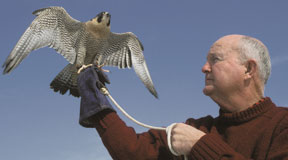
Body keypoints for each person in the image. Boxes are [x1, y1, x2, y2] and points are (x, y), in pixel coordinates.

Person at [77, 34, 288, 160]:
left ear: (249, 69)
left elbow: (199, 144)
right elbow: (131, 152)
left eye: (215, 59)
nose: (204, 68)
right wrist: (96, 102)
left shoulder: (282, 125)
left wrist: (200, 146)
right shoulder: (196, 129)